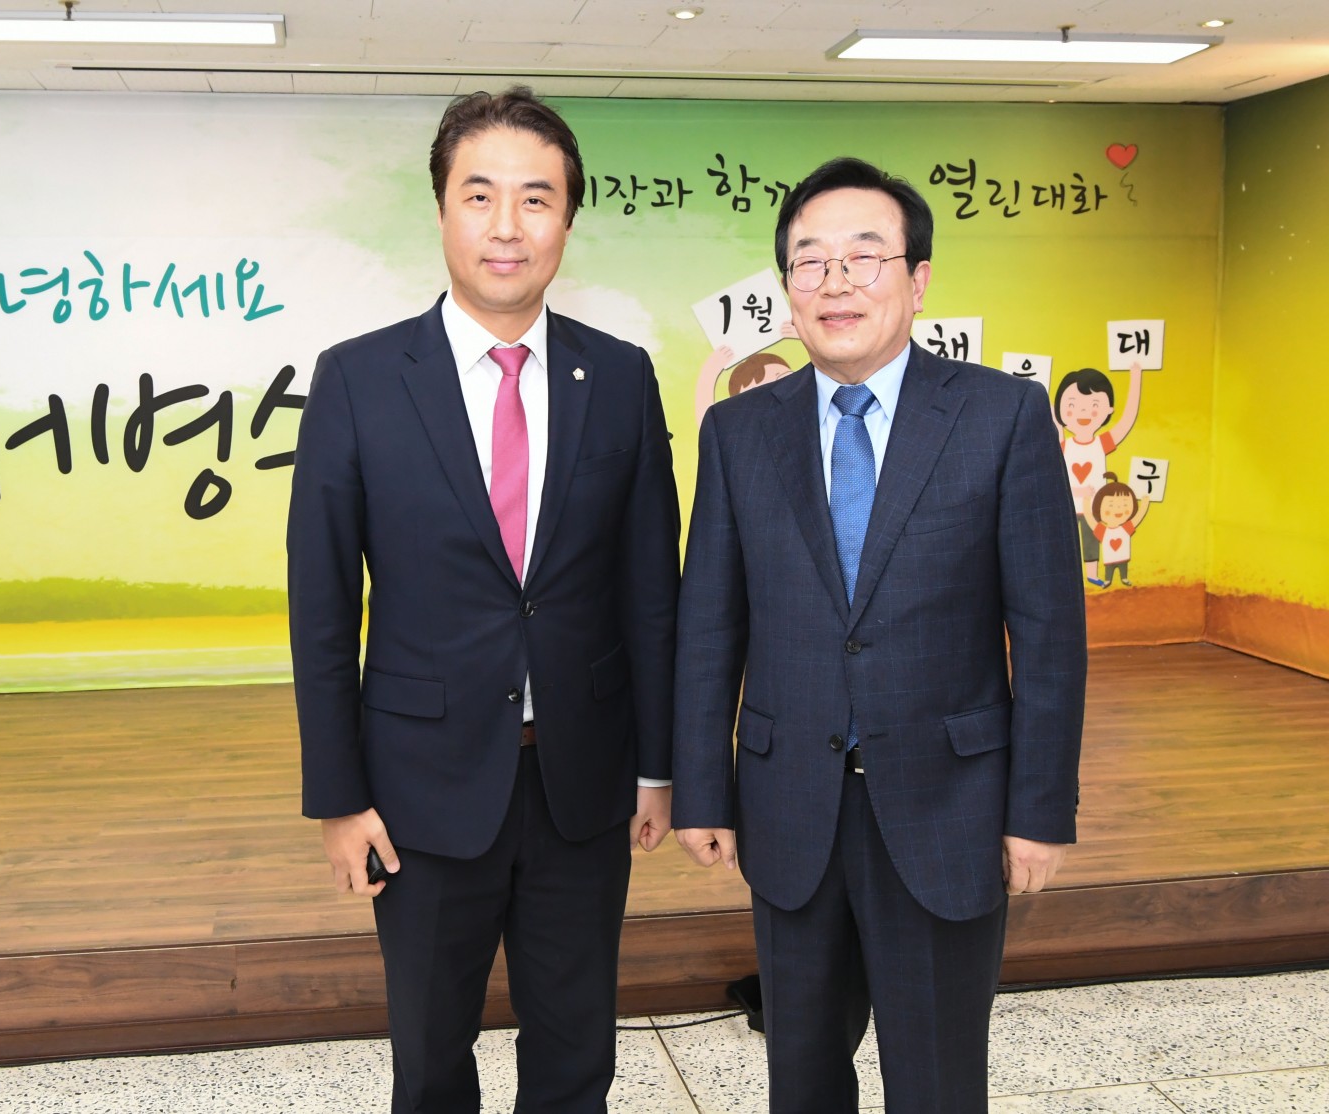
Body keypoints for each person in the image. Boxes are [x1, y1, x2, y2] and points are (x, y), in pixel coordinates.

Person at [287, 86, 680, 1114]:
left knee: (576, 1055)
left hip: (581, 784)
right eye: (480, 195)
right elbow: (322, 607)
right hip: (417, 789)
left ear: (567, 221)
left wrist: (658, 766)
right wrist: (338, 797)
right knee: (429, 1060)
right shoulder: (359, 380)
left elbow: (651, 590)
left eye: (536, 198)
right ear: (441, 211)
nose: (508, 225)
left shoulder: (621, 377)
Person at [672, 157, 1087, 1114]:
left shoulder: (1000, 416)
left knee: (937, 1081)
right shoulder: (739, 432)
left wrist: (1039, 809)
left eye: (865, 257)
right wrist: (701, 788)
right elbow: (709, 626)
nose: (837, 282)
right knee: (802, 1077)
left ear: (919, 279)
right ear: (789, 288)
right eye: (810, 261)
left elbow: (1049, 635)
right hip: (788, 803)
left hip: (951, 806)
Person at [1052, 363, 1143, 586]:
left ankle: (1092, 575)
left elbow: (1127, 419)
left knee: (1091, 542)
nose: (1083, 413)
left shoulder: (1101, 443)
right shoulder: (1063, 445)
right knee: (1062, 543)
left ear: (1109, 409)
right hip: (1066, 506)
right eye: (1072, 405)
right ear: (1060, 411)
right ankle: (1062, 578)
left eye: (1094, 405)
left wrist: (1136, 377)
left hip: (1093, 509)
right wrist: (1079, 491)